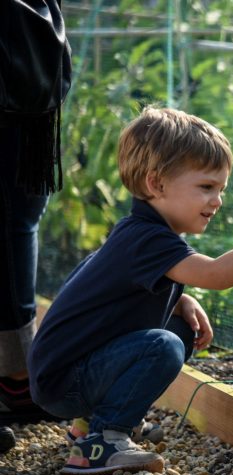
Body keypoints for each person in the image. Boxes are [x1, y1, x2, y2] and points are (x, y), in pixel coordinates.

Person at [27, 106, 233, 475]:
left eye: (221, 189)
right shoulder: (147, 239)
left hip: (68, 371)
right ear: (156, 184)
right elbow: (218, 273)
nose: (218, 201)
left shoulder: (140, 232)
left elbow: (112, 298)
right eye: (206, 187)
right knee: (164, 345)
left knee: (181, 331)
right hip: (64, 383)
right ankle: (103, 441)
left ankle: (90, 422)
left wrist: (180, 300)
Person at [0, 0, 71, 426]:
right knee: (12, 221)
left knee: (19, 215)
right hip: (18, 84)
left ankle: (16, 372)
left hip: (25, 80)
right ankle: (16, 375)